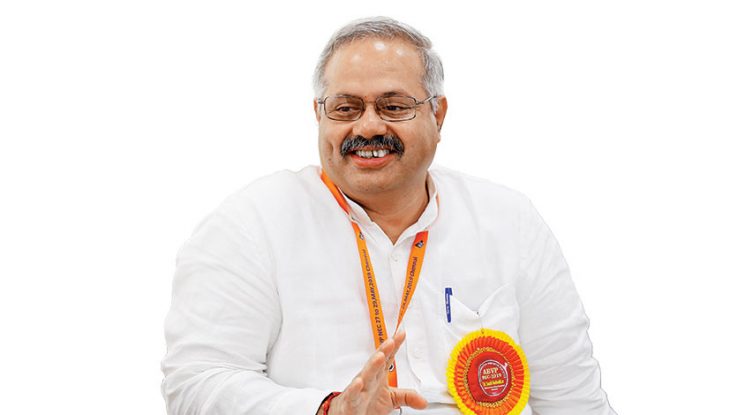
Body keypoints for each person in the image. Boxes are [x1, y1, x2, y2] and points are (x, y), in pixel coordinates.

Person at [161, 17, 616, 415]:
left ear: (438, 115)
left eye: (393, 106)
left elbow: (573, 397)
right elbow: (197, 383)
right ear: (318, 116)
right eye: (346, 108)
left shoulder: (508, 221)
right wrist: (328, 409)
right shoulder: (250, 224)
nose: (368, 126)